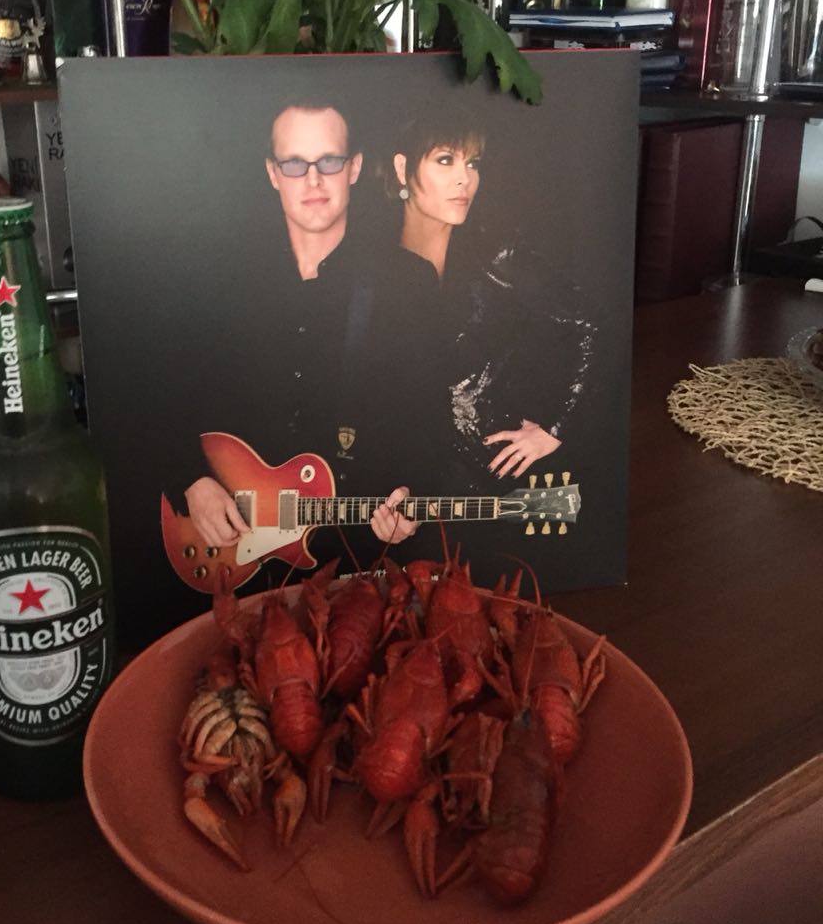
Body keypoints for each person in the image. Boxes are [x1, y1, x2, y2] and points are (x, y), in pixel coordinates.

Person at [168, 95, 456, 580]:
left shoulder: (410, 281)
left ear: (355, 167)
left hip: (357, 556)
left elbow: (432, 420)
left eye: (329, 161)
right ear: (272, 173)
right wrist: (192, 481)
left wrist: (410, 499)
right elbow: (166, 391)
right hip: (238, 560)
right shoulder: (219, 280)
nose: (313, 179)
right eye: (295, 164)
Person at [387, 108, 595, 487]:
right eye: (446, 160)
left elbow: (590, 321)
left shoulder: (497, 254)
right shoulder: (373, 264)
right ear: (403, 168)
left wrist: (555, 426)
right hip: (416, 478)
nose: (464, 179)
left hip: (500, 477)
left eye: (473, 163)